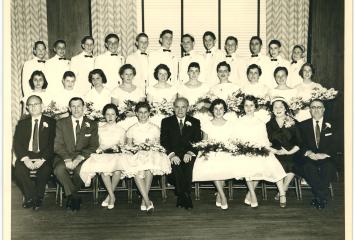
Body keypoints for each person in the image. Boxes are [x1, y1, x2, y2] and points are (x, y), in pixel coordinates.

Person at [193, 97, 287, 209]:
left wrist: (265, 149)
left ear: (255, 107)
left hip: (257, 149)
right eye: (246, 105)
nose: (249, 108)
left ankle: (273, 193)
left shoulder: (261, 123)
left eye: (251, 105)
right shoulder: (238, 122)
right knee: (245, 163)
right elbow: (235, 139)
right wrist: (243, 148)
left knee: (266, 162)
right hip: (242, 150)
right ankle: (250, 194)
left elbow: (264, 140)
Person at [53, 97, 99, 211]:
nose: (76, 109)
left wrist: (79, 158)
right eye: (73, 106)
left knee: (81, 171)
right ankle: (74, 196)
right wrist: (67, 159)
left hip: (83, 157)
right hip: (64, 156)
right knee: (59, 170)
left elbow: (94, 145)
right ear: (69, 108)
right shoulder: (61, 123)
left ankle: (70, 195)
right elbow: (57, 144)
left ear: (84, 107)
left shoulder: (92, 124)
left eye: (79, 106)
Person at [80, 104, 127, 209]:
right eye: (107, 114)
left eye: (112, 114)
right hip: (102, 155)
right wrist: (100, 150)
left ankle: (109, 197)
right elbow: (96, 144)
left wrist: (117, 148)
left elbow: (123, 146)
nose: (110, 117)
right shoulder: (99, 129)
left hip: (116, 155)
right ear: (104, 116)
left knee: (117, 170)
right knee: (103, 169)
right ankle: (112, 196)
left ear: (117, 115)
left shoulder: (121, 130)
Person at [126, 101, 171, 212]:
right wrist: (137, 149)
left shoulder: (155, 128)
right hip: (136, 154)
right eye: (140, 112)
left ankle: (144, 200)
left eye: (145, 112)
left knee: (149, 164)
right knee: (135, 168)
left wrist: (150, 147)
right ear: (136, 113)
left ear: (149, 113)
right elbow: (129, 146)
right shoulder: (132, 129)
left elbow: (158, 145)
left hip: (151, 153)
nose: (143, 115)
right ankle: (146, 200)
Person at [13, 95, 56, 210]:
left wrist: (42, 160)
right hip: (27, 154)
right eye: (30, 105)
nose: (33, 107)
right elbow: (17, 144)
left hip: (44, 155)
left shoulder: (52, 123)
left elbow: (52, 144)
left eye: (36, 104)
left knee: (45, 170)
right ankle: (32, 197)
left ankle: (36, 197)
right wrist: (25, 159)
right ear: (27, 107)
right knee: (18, 170)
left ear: (42, 106)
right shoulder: (22, 123)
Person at [160, 97, 202, 209]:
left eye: (183, 107)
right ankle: (185, 195)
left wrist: (189, 152)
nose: (180, 110)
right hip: (174, 153)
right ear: (173, 108)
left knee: (188, 165)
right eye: (177, 107)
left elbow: (198, 141)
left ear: (187, 108)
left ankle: (181, 195)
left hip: (188, 153)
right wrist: (172, 155)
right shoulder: (166, 122)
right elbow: (163, 142)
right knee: (176, 165)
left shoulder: (195, 122)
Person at [298, 99, 337, 209]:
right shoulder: (303, 125)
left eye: (319, 107)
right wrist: (308, 152)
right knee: (308, 167)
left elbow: (337, 143)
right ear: (310, 110)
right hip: (310, 157)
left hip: (327, 156)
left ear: (324, 109)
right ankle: (322, 197)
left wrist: (325, 154)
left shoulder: (333, 124)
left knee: (328, 167)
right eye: (313, 107)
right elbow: (300, 143)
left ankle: (319, 197)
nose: (316, 109)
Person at [266, 97, 302, 203]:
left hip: (292, 151)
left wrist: (288, 152)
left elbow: (300, 142)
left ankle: (284, 189)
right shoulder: (269, 125)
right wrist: (275, 151)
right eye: (275, 107)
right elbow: (265, 142)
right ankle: (282, 193)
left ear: (285, 108)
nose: (278, 109)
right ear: (272, 110)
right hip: (275, 152)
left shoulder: (294, 122)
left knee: (293, 162)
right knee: (277, 163)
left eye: (281, 106)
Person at [111, 64, 145, 130]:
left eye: (131, 74)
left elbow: (142, 108)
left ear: (133, 75)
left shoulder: (139, 90)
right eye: (126, 74)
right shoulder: (116, 91)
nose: (129, 76)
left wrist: (134, 114)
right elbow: (113, 110)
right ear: (122, 75)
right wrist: (123, 113)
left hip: (137, 121)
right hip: (121, 122)